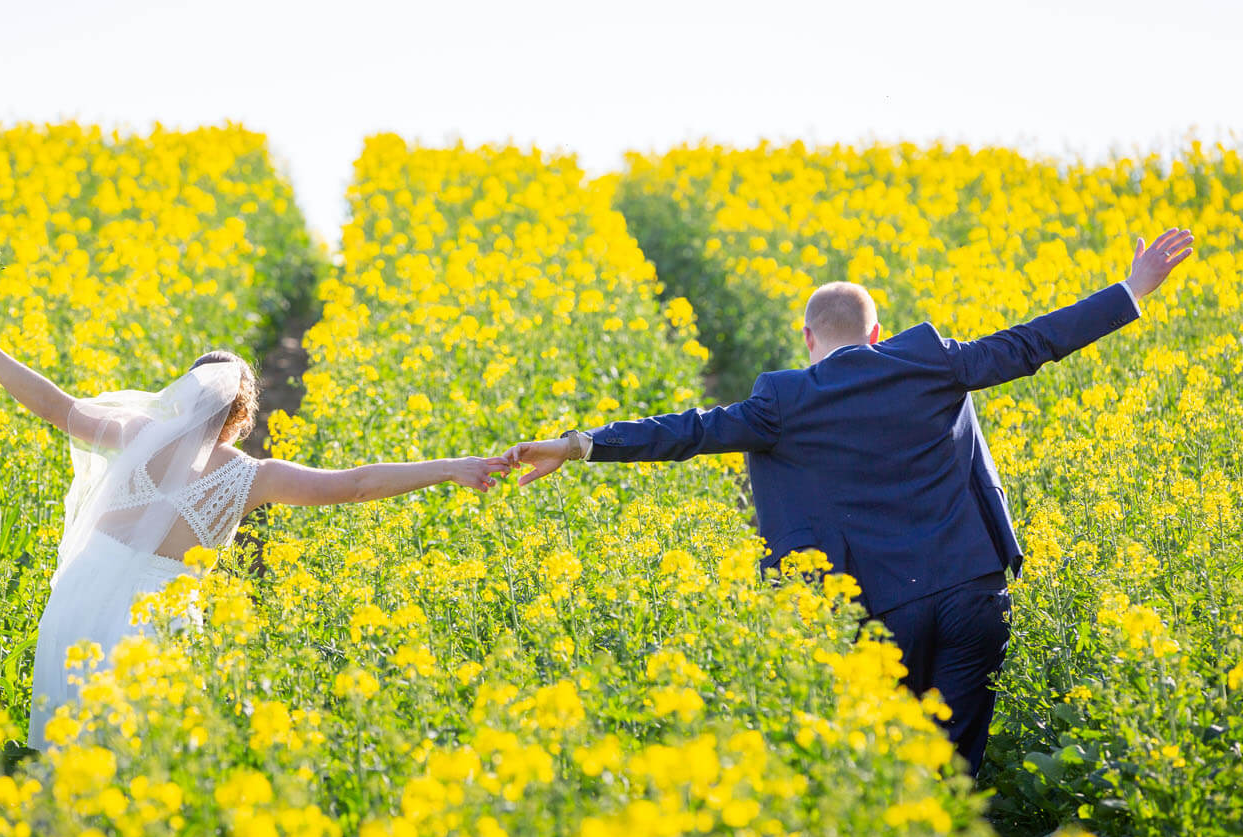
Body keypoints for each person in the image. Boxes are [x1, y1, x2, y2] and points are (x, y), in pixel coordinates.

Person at [501, 229, 1194, 775]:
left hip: (879, 609)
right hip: (970, 591)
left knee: (891, 768)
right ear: (876, 335)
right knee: (956, 771)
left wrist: (581, 444)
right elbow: (1031, 343)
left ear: (808, 340)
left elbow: (688, 431)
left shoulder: (782, 401)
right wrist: (1132, 289)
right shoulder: (931, 361)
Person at [0, 307, 511, 750]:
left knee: (68, 755)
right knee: (136, 763)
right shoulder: (254, 477)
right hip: (150, 625)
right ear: (243, 415)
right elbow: (354, 484)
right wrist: (450, 469)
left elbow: (54, 405)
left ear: (180, 396)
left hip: (79, 601)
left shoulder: (135, 435)